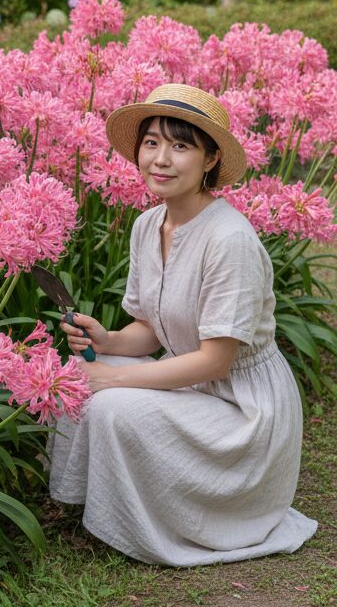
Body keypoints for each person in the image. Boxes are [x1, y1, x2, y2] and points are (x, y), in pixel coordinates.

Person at [46, 83, 318, 566]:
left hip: (244, 413)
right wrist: (106, 341)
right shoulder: (147, 226)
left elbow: (216, 359)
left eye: (181, 145)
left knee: (110, 404)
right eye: (151, 143)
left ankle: (172, 517)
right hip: (195, 387)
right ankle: (95, 501)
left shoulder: (229, 238)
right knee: (80, 369)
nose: (161, 159)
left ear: (210, 159)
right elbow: (150, 329)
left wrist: (112, 377)